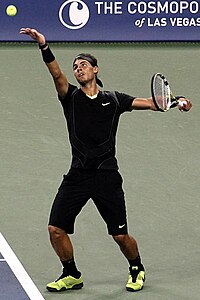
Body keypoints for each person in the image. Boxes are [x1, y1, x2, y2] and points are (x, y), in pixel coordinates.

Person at [19, 28, 192, 293]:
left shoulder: (113, 100)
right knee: (55, 229)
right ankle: (71, 273)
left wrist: (176, 100)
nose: (78, 69)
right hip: (77, 175)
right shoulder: (70, 97)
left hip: (107, 176)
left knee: (120, 235)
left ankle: (136, 267)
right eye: (75, 66)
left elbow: (150, 102)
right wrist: (44, 46)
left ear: (96, 70)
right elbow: (56, 73)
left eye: (84, 65)